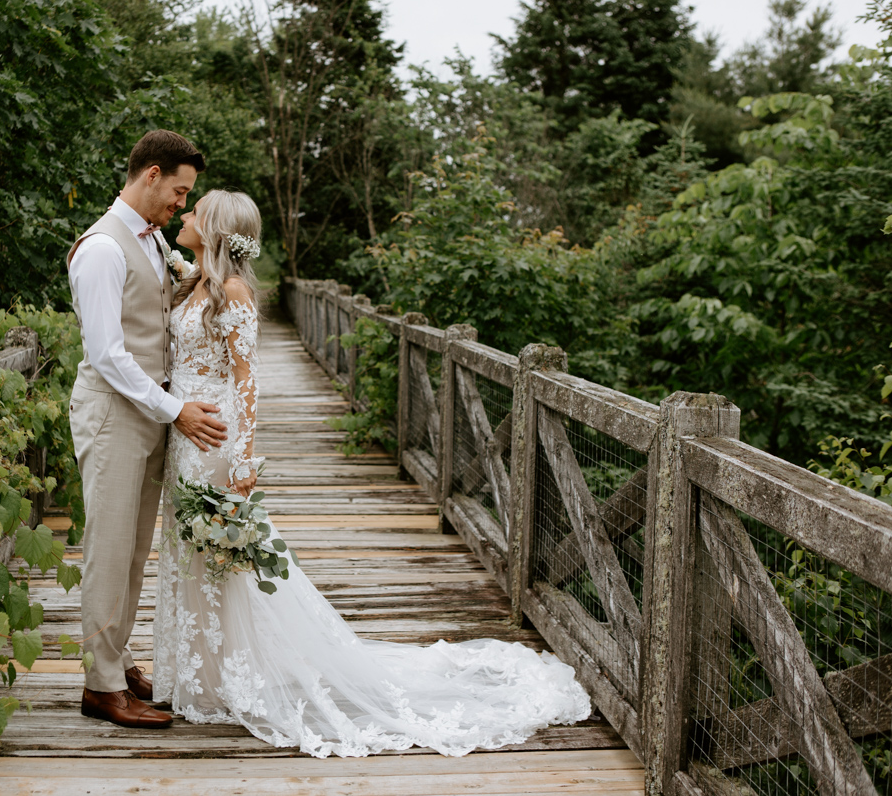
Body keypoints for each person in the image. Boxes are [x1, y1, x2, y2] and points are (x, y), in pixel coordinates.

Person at [151, 188, 593, 757]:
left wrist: (242, 461)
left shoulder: (232, 292)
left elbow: (247, 380)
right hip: (182, 440)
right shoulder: (199, 284)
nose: (183, 216)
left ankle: (225, 678)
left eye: (193, 212)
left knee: (222, 555)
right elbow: (180, 277)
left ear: (213, 229)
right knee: (195, 552)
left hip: (213, 439)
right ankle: (202, 675)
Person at [66, 130, 228, 730]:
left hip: (147, 415)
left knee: (133, 551)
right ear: (152, 174)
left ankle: (118, 659)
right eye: (180, 192)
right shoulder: (104, 248)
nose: (182, 205)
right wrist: (176, 410)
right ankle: (99, 686)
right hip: (114, 414)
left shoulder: (150, 240)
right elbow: (107, 353)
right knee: (109, 551)